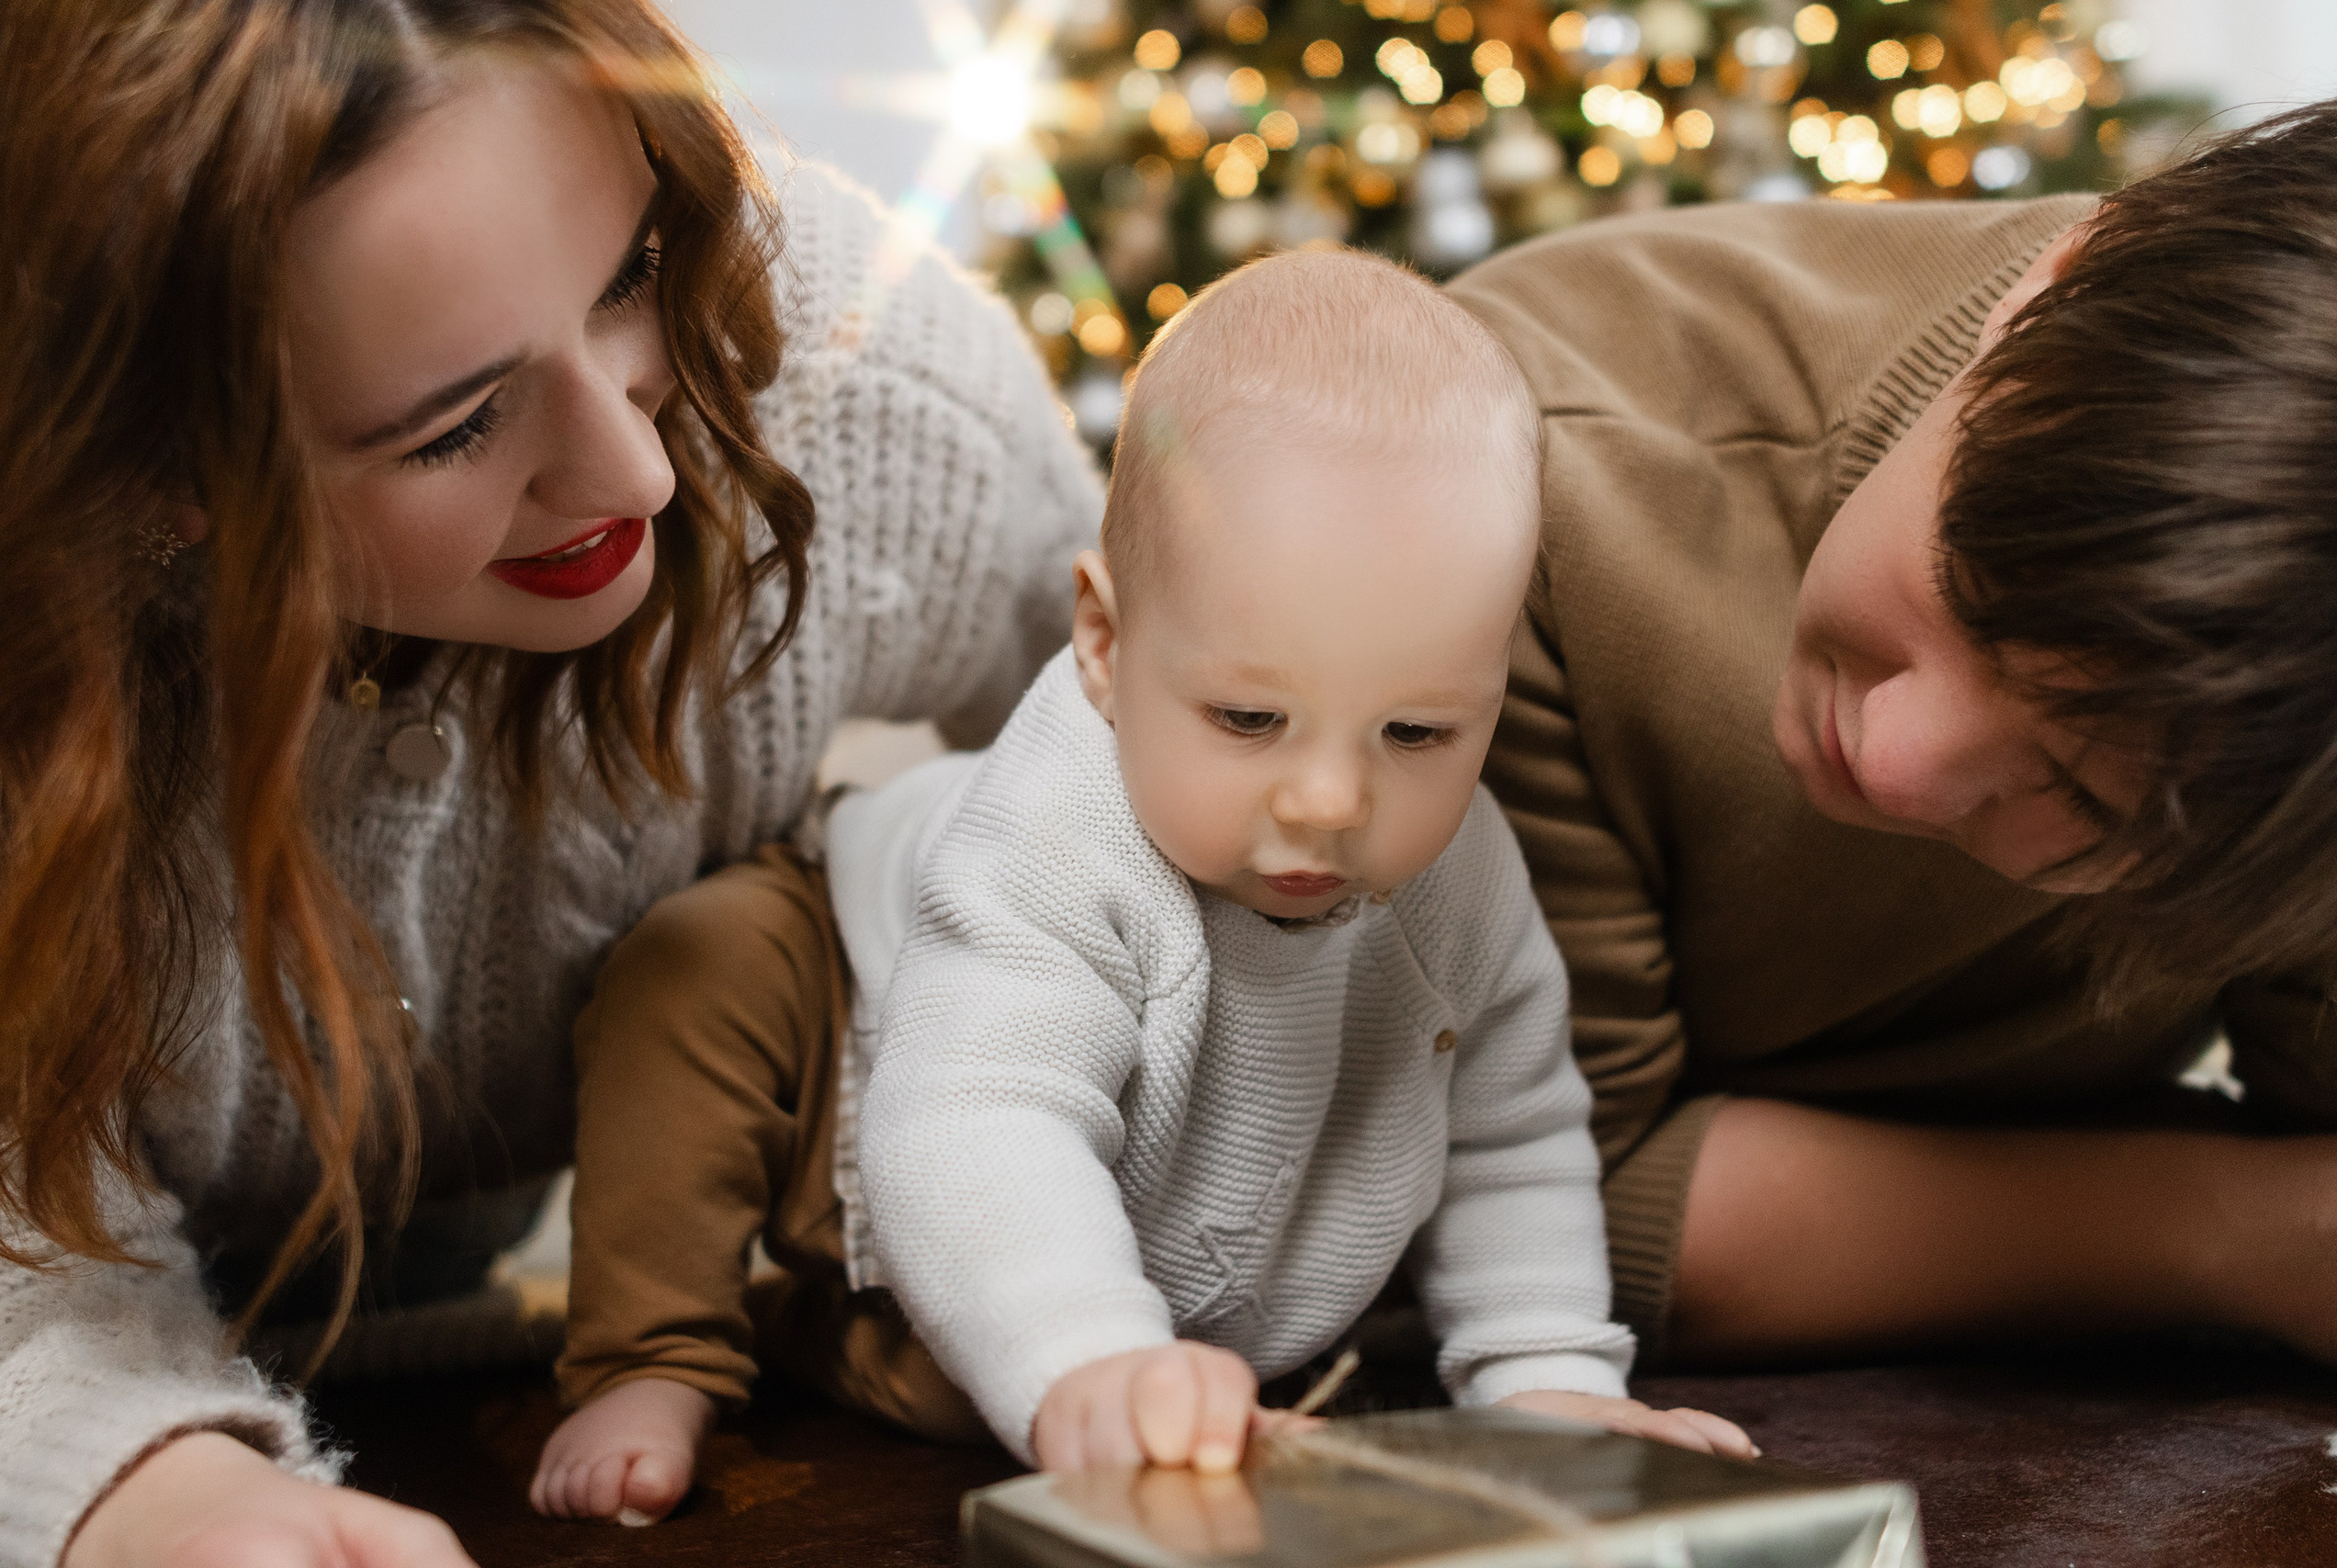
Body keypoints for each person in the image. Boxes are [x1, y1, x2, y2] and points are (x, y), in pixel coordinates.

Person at [0, 3, 1100, 1564]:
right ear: (156, 473)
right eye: (457, 427)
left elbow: (1170, 773)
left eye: (633, 274)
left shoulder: (862, 376)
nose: (641, 475)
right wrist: (133, 1485)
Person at [530, 248, 1755, 1527]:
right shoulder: (1057, 835)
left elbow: (1511, 1134)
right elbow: (977, 1120)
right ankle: (655, 1355)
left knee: (998, 1396)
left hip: (1127, 1208)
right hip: (852, 1019)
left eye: (1417, 734)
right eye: (1248, 716)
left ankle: (821, 1329)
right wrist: (1090, 1351)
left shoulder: (1467, 883)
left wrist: (1545, 1374)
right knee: (692, 972)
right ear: (1106, 644)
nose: (1329, 802)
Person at [1447, 100, 2337, 1375]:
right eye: (1971, 589)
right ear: (2046, 293)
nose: (1896, 760)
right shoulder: (1504, 483)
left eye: (2087, 806)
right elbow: (1531, 1226)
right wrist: (2234, 1230)